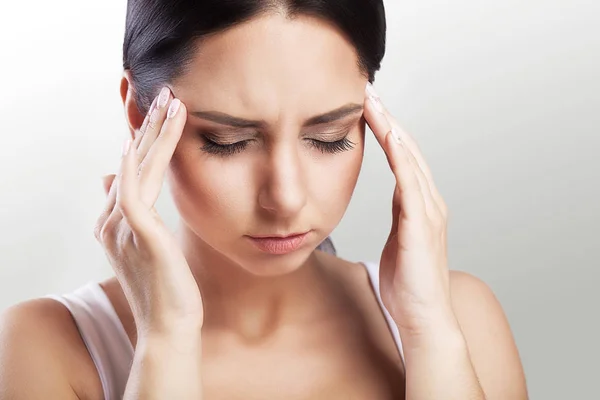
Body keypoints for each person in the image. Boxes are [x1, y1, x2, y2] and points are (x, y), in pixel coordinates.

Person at [0, 1, 528, 399]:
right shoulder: (46, 348)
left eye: (329, 137)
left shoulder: (459, 317)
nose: (286, 197)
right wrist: (166, 341)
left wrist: (428, 334)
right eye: (228, 141)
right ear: (141, 119)